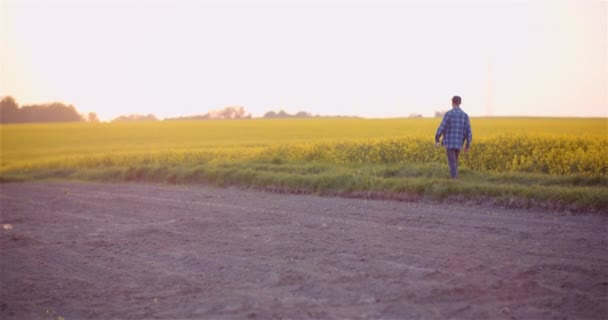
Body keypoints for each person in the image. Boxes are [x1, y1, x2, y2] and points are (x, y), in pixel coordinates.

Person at [435, 96, 472, 179]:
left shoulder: (449, 114)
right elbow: (468, 131)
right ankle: (455, 179)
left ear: (452, 102)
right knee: (454, 162)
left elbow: (442, 127)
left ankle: (454, 180)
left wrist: (437, 138)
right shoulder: (465, 115)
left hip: (449, 143)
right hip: (459, 143)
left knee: (452, 162)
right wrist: (467, 144)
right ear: (460, 103)